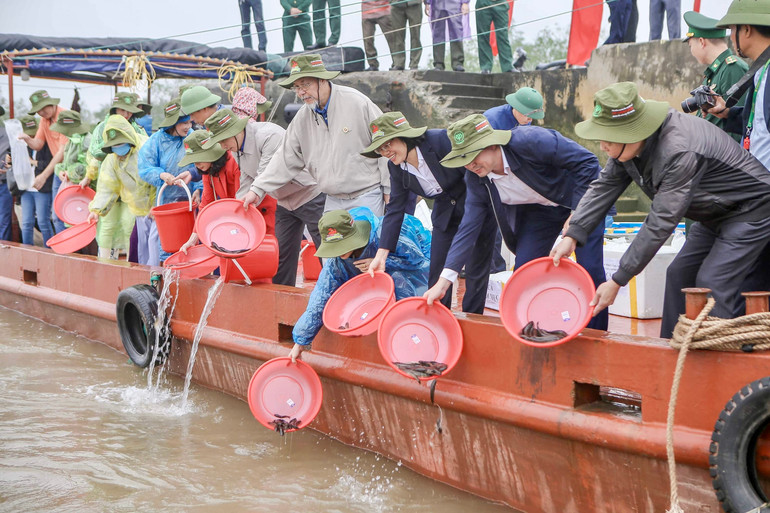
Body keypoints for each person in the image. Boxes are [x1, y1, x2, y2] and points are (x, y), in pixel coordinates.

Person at [550, 82, 770, 338]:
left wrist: (618, 279)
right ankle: (671, 353)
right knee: (678, 275)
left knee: (714, 282)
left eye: (607, 139)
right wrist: (573, 235)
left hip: (752, 209)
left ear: (632, 132)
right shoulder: (629, 148)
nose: (603, 147)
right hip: (714, 213)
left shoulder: (679, 149)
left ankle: (721, 363)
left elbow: (661, 221)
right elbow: (603, 186)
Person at [423, 113, 609, 331]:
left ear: (493, 144)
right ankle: (538, 330)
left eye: (474, 154)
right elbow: (468, 228)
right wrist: (444, 282)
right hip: (539, 213)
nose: (471, 164)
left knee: (590, 269)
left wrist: (577, 216)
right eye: (463, 159)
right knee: (524, 273)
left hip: (578, 201)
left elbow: (588, 163)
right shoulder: (476, 179)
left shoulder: (531, 141)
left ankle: (596, 334)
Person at [242, 54, 390, 216]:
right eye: (297, 87)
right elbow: (285, 158)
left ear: (322, 80)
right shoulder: (302, 118)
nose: (301, 92)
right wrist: (257, 190)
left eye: (305, 84)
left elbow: (385, 143)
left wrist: (389, 189)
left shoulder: (357, 102)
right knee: (331, 241)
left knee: (369, 241)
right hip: (332, 199)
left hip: (366, 195)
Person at [288, 207, 431, 362]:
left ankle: (412, 336)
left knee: (398, 280)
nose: (339, 252)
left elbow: (417, 260)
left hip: (420, 268)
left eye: (342, 245)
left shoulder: (388, 232)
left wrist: (382, 261)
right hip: (378, 283)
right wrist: (300, 342)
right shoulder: (337, 262)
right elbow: (321, 295)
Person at [362, 112, 465, 308]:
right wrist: (381, 255)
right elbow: (395, 208)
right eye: (380, 149)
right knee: (437, 269)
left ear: (404, 137)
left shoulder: (439, 141)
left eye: (387, 145)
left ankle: (472, 317)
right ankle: (439, 321)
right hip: (444, 212)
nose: (385, 152)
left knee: (476, 269)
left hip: (473, 203)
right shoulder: (396, 167)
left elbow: (470, 173)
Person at [483, 87, 545, 273]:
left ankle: (521, 264)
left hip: (515, 177)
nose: (530, 119)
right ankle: (494, 270)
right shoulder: (491, 120)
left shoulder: (526, 121)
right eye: (527, 114)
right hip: (490, 177)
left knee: (517, 224)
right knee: (491, 225)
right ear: (515, 107)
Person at [707, 0, 770, 170]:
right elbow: (760, 123)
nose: (730, 36)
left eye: (733, 29)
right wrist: (728, 113)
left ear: (747, 30)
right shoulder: (761, 70)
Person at [138, 98, 200, 265]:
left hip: (192, 200)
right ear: (172, 123)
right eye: (183, 123)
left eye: (189, 122)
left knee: (192, 242)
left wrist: (199, 189)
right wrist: (161, 175)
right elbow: (145, 166)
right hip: (167, 199)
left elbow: (204, 164)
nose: (188, 127)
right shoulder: (157, 140)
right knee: (168, 243)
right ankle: (168, 273)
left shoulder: (193, 137)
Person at [87, 115, 155, 261]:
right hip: (139, 211)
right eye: (115, 145)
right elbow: (107, 187)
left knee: (156, 249)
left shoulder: (146, 148)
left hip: (157, 209)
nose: (118, 148)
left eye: (121, 143)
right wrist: (96, 211)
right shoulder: (112, 160)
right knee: (140, 248)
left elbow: (156, 179)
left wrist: (156, 205)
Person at [203, 108, 279, 234]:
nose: (223, 147)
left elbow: (266, 173)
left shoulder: (267, 136)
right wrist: (237, 210)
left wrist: (253, 194)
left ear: (235, 131)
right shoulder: (236, 149)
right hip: (284, 202)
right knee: (285, 251)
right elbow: (247, 177)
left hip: (307, 193)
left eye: (223, 140)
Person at [683, 10, 748, 141]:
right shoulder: (714, 72)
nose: (692, 51)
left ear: (701, 42)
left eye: (691, 45)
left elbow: (740, 126)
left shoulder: (732, 68)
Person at [178, 130, 245, 254]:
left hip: (249, 214)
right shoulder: (208, 172)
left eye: (200, 158)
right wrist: (193, 238)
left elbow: (241, 200)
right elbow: (205, 206)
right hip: (232, 218)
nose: (197, 164)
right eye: (194, 160)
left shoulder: (235, 163)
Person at [18, 90, 69, 234]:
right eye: (38, 110)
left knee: (66, 214)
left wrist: (44, 175)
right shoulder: (44, 121)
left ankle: (72, 252)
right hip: (59, 170)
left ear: (51, 103)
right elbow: (38, 144)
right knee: (57, 215)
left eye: (43, 107)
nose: (41, 112)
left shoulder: (64, 116)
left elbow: (62, 151)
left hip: (70, 170)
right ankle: (60, 250)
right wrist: (27, 139)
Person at [15, 114, 53, 246]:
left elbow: (50, 163)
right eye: (28, 135)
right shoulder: (19, 146)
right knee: (26, 223)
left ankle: (50, 249)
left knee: (43, 221)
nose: (31, 138)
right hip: (26, 188)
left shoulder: (45, 144)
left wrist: (32, 162)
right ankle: (27, 250)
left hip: (42, 188)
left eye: (33, 134)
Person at [425, 0, 468, 71]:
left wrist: (465, 2)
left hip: (455, 3)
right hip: (437, 3)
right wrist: (427, 2)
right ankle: (438, 64)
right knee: (437, 32)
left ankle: (457, 63)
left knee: (456, 30)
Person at [476, 0, 514, 73]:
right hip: (483, 3)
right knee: (483, 35)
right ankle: (486, 67)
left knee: (503, 35)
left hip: (500, 2)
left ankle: (507, 66)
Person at [361, 0, 397, 71]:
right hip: (366, 11)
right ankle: (372, 64)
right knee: (367, 39)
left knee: (392, 38)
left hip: (384, 10)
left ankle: (396, 63)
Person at [389, 0, 422, 70]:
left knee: (415, 35)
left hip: (414, 4)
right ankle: (398, 63)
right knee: (397, 35)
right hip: (396, 4)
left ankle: (414, 64)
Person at [0, 106, 10, 241]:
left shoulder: (7, 135)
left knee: (4, 219)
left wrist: (9, 167)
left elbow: (15, 156)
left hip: (4, 184)